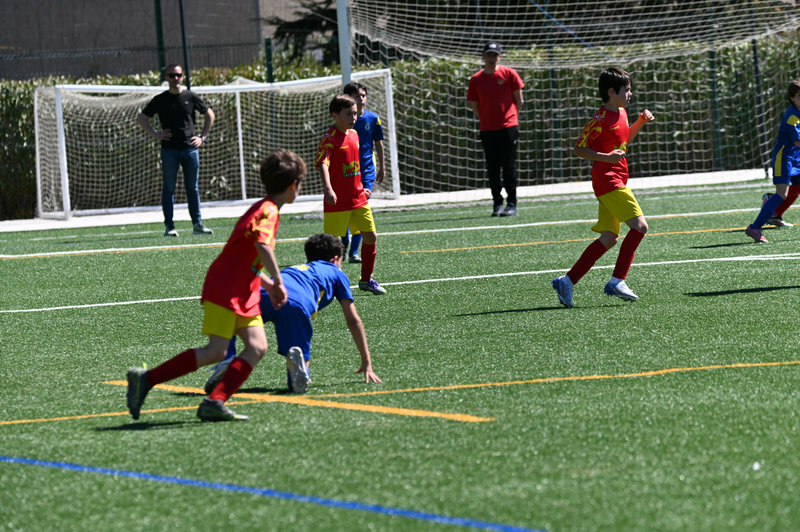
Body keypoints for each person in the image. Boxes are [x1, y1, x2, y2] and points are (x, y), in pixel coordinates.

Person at [125, 149, 306, 422]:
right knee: (216, 351)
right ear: (293, 186)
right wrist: (279, 282)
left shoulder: (263, 207)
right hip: (227, 286)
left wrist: (268, 285)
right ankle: (146, 379)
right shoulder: (269, 211)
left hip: (242, 286)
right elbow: (262, 246)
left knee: (257, 347)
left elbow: (245, 259)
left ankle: (215, 401)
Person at [205, 233, 382, 395]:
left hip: (268, 294)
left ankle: (227, 361)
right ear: (336, 259)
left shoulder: (295, 268)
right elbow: (353, 320)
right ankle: (300, 370)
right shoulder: (336, 272)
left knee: (232, 323)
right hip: (297, 304)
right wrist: (366, 361)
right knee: (298, 372)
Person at [551, 67, 655, 308]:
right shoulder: (599, 120)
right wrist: (606, 157)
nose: (630, 94)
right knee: (640, 226)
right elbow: (579, 148)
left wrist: (640, 122)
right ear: (611, 92)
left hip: (618, 178)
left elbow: (624, 141)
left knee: (609, 238)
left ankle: (567, 281)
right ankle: (618, 280)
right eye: (626, 90)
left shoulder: (622, 112)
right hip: (608, 180)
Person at [316, 94, 386, 295]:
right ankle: (327, 282)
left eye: (355, 114)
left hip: (358, 197)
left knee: (370, 236)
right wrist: (328, 188)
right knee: (332, 245)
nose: (353, 118)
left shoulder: (354, 134)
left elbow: (355, 164)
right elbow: (323, 164)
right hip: (337, 200)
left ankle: (366, 280)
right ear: (334, 115)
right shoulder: (329, 138)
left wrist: (362, 186)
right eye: (348, 114)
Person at [135, 64, 215, 237]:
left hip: (190, 150)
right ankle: (169, 226)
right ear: (166, 78)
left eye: (178, 75)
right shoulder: (160, 99)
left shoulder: (190, 96)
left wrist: (202, 137)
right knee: (169, 188)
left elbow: (210, 114)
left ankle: (197, 224)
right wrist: (155, 134)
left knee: (192, 188)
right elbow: (141, 118)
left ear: (182, 77)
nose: (175, 78)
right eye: (171, 75)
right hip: (169, 151)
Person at [467, 41, 525, 217]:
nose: (491, 58)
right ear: (483, 56)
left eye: (494, 55)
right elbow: (474, 104)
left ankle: (512, 203)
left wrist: (510, 119)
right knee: (492, 168)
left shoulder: (509, 74)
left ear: (499, 57)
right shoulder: (476, 79)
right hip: (487, 129)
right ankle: (497, 203)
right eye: (488, 55)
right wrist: (486, 118)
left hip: (508, 127)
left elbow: (519, 100)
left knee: (509, 166)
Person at [745, 80, 800, 242]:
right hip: (784, 159)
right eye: (799, 96)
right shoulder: (792, 116)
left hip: (796, 159)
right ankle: (755, 227)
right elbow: (798, 142)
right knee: (781, 194)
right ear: (792, 98)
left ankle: (775, 213)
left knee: (796, 187)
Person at [341, 81, 386, 263]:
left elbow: (378, 143)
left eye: (363, 95)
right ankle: (343, 245)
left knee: (361, 208)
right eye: (357, 96)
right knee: (345, 209)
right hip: (347, 171)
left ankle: (353, 252)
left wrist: (382, 167)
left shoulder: (373, 118)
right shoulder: (343, 121)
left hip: (366, 171)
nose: (361, 99)